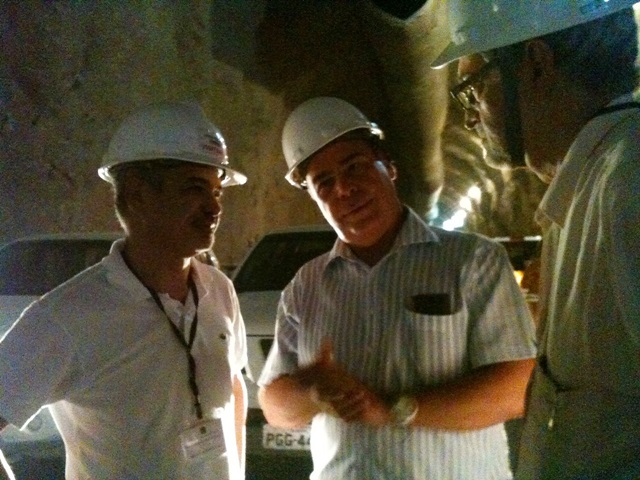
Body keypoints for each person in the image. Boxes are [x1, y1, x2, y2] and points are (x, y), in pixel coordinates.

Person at [257, 96, 537, 479]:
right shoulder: (306, 286)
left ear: (388, 166)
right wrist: (313, 394)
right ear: (314, 197)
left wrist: (394, 410)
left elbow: (516, 387)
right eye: (324, 182)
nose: (344, 189)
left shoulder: (473, 260)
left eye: (355, 167)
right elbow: (274, 405)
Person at [432, 2, 640, 478]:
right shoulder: (590, 188)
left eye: (473, 88)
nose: (471, 117)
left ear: (537, 64)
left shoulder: (628, 183)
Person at [0, 100, 249, 479]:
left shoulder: (220, 291)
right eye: (195, 188)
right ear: (136, 196)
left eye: (217, 191)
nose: (213, 207)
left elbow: (233, 389)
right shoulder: (68, 316)